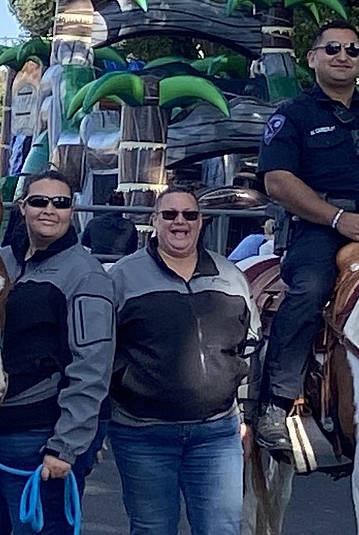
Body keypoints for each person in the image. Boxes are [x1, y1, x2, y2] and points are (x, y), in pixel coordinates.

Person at [253, 19, 359, 451]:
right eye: (332, 49)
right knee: (309, 291)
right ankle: (275, 403)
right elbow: (277, 181)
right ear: (312, 59)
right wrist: (336, 219)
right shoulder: (293, 115)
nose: (342, 56)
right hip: (320, 231)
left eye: (352, 50)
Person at [0, 169, 116, 535]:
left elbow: (92, 368)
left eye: (60, 203)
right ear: (23, 207)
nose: (49, 210)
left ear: (72, 210)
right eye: (38, 201)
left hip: (37, 444)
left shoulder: (86, 276)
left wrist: (65, 447)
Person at [108, 186, 259, 535]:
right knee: (152, 528)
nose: (180, 222)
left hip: (217, 432)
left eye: (189, 215)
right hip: (143, 433)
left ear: (201, 222)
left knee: (223, 529)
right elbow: (101, 351)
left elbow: (250, 347)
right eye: (170, 214)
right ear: (154, 221)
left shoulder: (231, 277)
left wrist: (247, 417)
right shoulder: (121, 277)